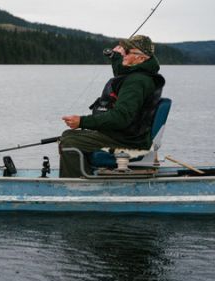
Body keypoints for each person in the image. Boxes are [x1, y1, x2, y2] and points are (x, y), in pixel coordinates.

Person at [59, 34, 165, 178]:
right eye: (124, 50)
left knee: (70, 141)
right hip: (129, 134)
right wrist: (115, 57)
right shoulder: (139, 74)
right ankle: (86, 176)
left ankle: (76, 187)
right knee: (68, 136)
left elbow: (120, 118)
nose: (123, 54)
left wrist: (82, 121)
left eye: (127, 52)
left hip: (127, 139)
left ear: (141, 58)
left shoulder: (136, 82)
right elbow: (122, 74)